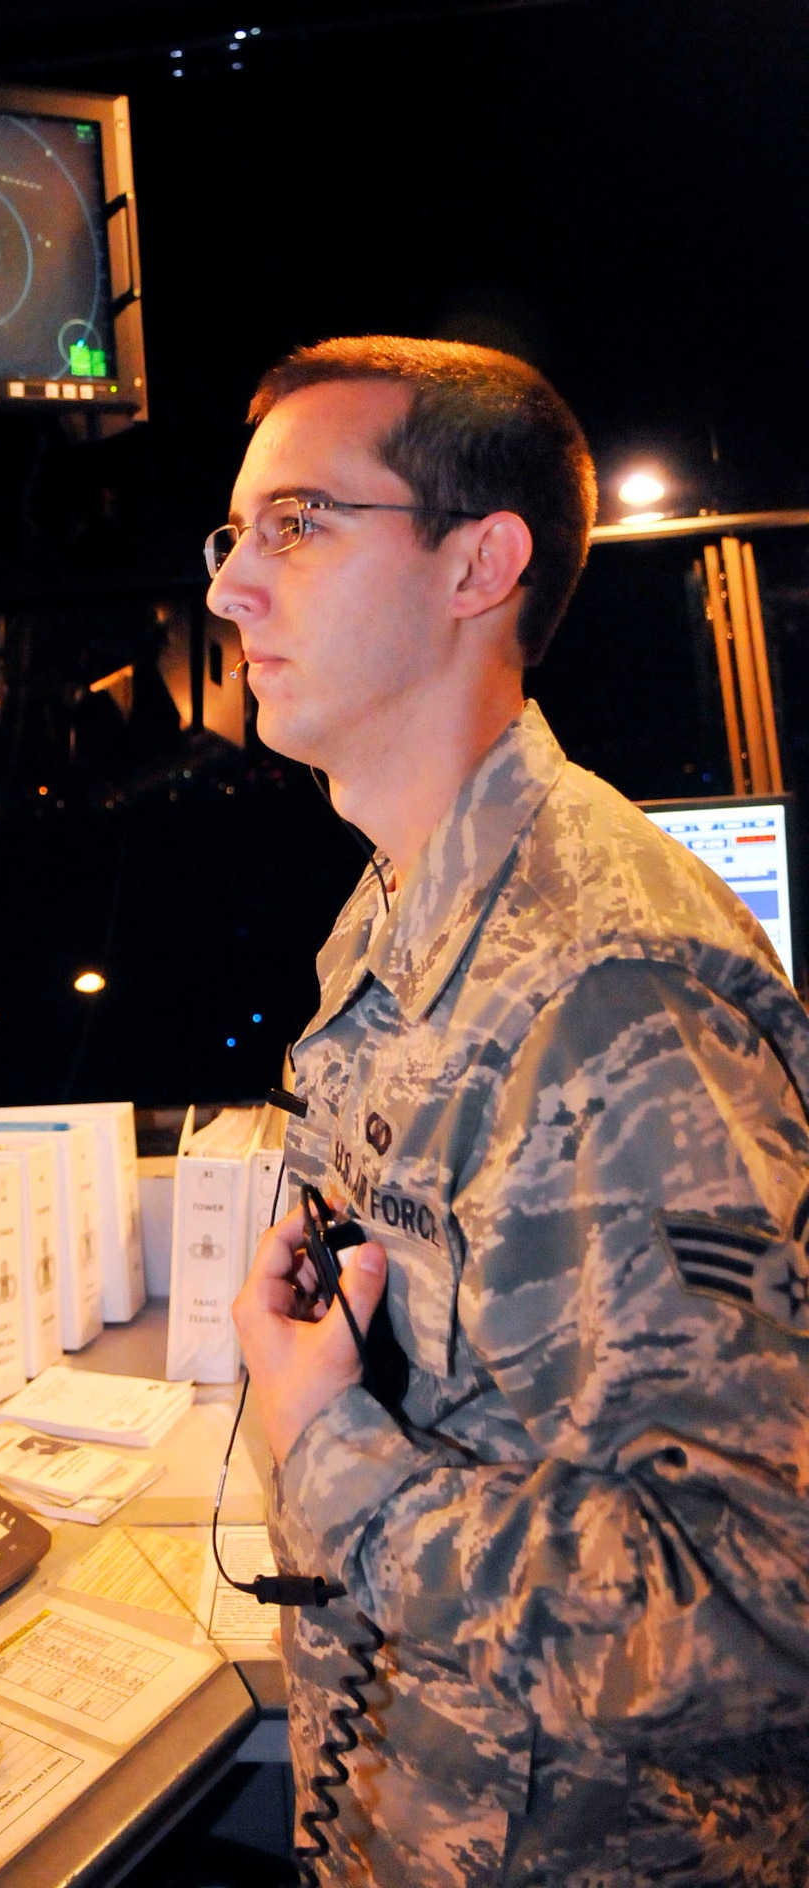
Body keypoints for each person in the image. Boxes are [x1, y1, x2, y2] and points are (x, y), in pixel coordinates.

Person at [209, 336, 809, 1885]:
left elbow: (756, 1609)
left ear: (479, 563)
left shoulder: (611, 987)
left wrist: (323, 1441)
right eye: (233, 537)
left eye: (297, 526)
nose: (231, 590)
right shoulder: (400, 919)